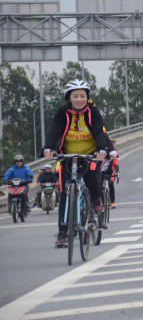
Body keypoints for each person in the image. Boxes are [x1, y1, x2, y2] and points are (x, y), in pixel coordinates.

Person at [43, 79, 116, 248]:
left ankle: (96, 201)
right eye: (75, 96)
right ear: (69, 98)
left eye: (82, 96)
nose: (79, 99)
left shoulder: (93, 112)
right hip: (67, 155)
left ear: (87, 97)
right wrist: (47, 148)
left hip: (90, 154)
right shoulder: (62, 112)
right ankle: (62, 233)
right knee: (64, 194)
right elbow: (55, 131)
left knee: (91, 176)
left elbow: (98, 131)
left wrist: (102, 149)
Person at [100, 140, 119, 209]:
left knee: (111, 185)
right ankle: (100, 202)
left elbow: (116, 162)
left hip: (110, 171)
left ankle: (113, 202)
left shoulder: (114, 152)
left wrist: (117, 172)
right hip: (100, 170)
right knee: (99, 185)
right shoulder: (100, 150)